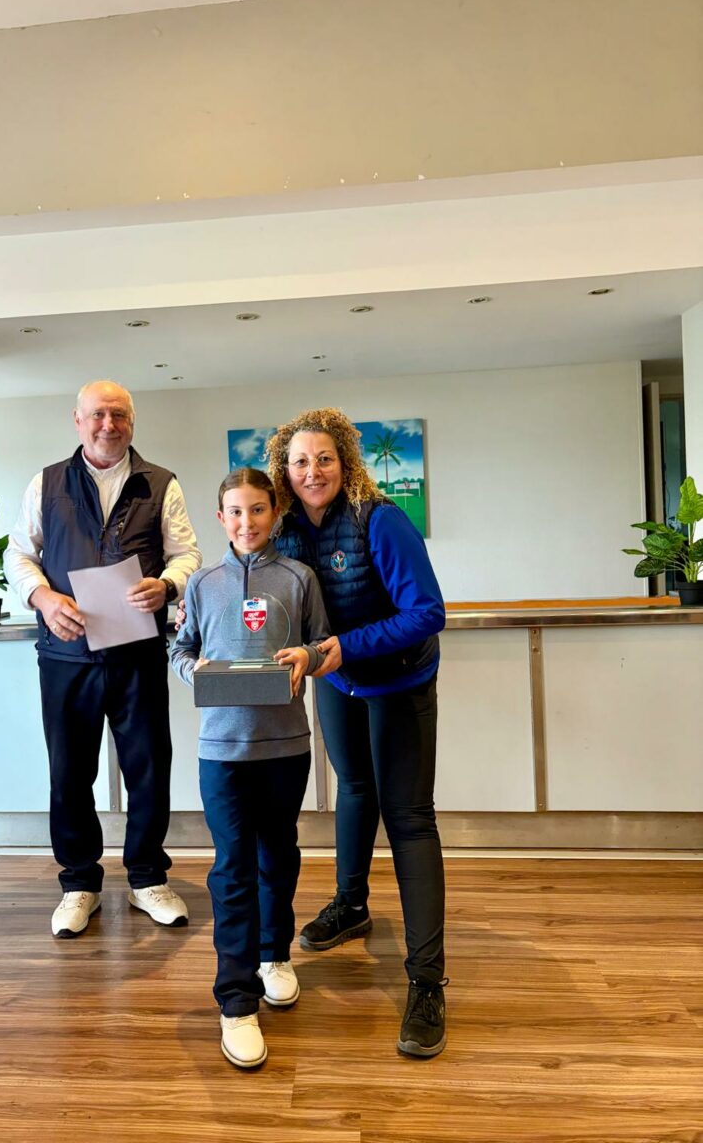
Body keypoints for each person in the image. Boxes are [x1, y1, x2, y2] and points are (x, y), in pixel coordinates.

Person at [264, 407, 449, 1058]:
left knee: (409, 818)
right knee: (353, 789)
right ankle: (351, 905)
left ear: (345, 462)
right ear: (284, 470)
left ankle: (427, 982)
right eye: (299, 461)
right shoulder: (284, 528)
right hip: (338, 683)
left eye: (324, 458)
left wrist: (346, 646)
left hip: (400, 681)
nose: (312, 471)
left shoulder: (380, 519)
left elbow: (428, 612)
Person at [4, 380, 202, 938]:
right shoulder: (46, 483)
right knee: (70, 772)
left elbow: (187, 552)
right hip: (65, 654)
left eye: (118, 415)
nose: (108, 424)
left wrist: (167, 584)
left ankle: (147, 878)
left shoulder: (160, 482)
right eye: (97, 414)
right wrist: (44, 598)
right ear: (77, 420)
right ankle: (78, 884)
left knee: (149, 767)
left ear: (132, 422)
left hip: (137, 653)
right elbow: (19, 553)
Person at [171, 468, 331, 1068]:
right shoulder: (203, 583)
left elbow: (323, 644)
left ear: (275, 514)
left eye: (258, 510)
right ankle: (236, 1002)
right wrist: (192, 670)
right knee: (232, 869)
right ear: (220, 518)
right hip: (222, 752)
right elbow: (180, 648)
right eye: (235, 512)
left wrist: (307, 657)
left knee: (278, 855)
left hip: (286, 747)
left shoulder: (299, 578)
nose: (247, 522)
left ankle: (274, 954)